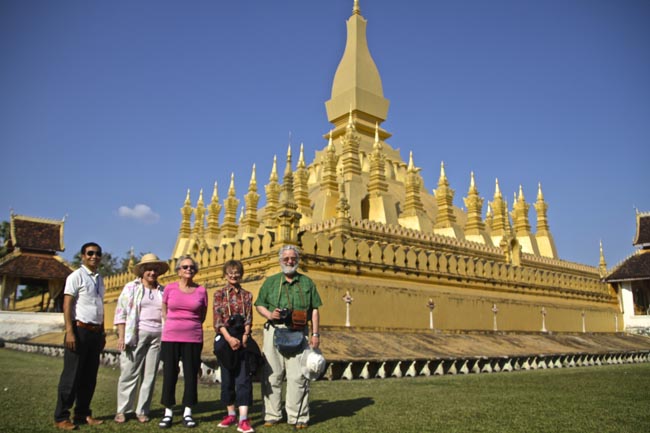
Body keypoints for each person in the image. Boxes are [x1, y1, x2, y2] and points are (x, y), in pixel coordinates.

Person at [255, 245, 322, 429]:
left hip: (299, 331)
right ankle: (272, 414)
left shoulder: (307, 283)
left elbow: (314, 309)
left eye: (293, 258)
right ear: (280, 261)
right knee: (272, 374)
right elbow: (259, 304)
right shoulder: (271, 282)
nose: (290, 261)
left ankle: (298, 416)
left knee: (298, 376)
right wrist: (270, 315)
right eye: (286, 259)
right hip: (274, 330)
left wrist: (315, 334)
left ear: (297, 260)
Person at [54, 242, 106, 431]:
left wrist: (103, 331)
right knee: (71, 376)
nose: (94, 256)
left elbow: (99, 307)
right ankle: (61, 417)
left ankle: (82, 413)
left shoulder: (99, 279)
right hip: (79, 330)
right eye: (90, 253)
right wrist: (69, 331)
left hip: (95, 332)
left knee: (89, 376)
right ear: (83, 256)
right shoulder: (75, 276)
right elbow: (67, 304)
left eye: (97, 253)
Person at [113, 253, 169, 424]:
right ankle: (123, 410)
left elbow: (168, 313)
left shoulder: (163, 291)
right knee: (129, 372)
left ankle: (142, 410)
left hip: (158, 334)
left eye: (155, 269)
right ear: (142, 271)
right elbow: (121, 312)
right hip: (136, 333)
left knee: (150, 375)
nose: (152, 272)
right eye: (149, 269)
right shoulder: (131, 287)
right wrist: (121, 336)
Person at [158, 255, 207, 429]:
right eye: (185, 267)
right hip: (171, 337)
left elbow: (202, 315)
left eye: (192, 267)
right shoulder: (170, 289)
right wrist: (174, 324)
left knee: (191, 374)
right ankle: (168, 412)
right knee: (170, 374)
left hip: (192, 338)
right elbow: (164, 311)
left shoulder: (201, 291)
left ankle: (187, 412)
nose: (188, 270)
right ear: (178, 270)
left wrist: (189, 325)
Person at [213, 260, 255, 433]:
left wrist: (245, 336)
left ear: (241, 274)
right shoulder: (219, 294)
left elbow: (249, 318)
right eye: (230, 272)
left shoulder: (247, 295)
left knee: (243, 378)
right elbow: (217, 320)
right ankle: (231, 414)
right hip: (225, 336)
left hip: (242, 336)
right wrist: (229, 339)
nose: (233, 275)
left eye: (237, 272)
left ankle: (244, 419)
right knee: (228, 377)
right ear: (225, 274)